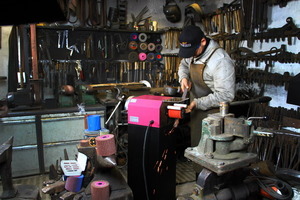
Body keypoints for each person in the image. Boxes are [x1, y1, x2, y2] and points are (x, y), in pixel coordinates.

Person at [178, 25, 235, 147]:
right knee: (196, 148)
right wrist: (184, 77)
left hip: (214, 115)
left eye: (192, 51)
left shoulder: (221, 60)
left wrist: (198, 103)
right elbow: (183, 64)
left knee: (209, 152)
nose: (191, 55)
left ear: (203, 41)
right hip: (196, 111)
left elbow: (226, 95)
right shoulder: (192, 54)